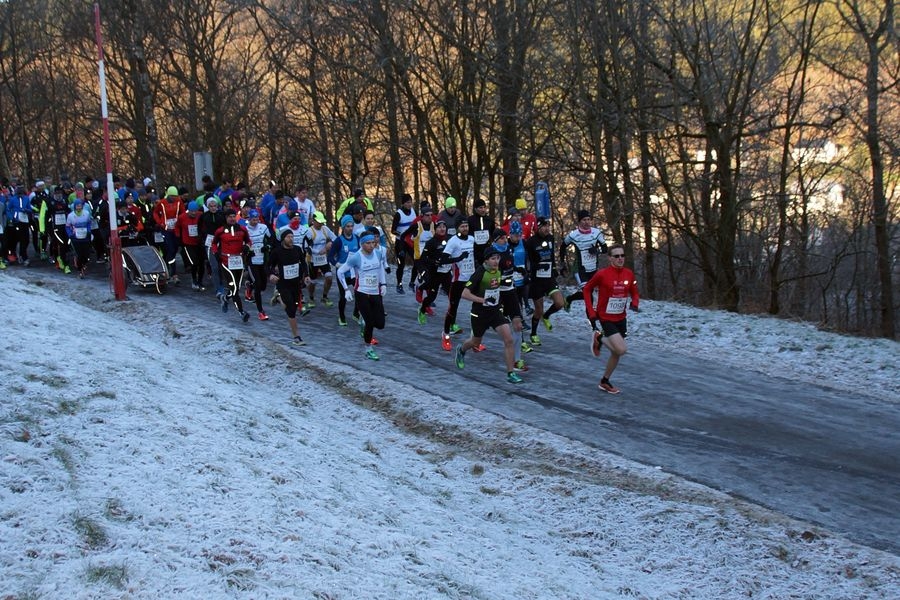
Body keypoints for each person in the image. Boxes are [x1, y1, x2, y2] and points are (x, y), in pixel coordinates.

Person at [453, 247, 523, 384]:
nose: (496, 261)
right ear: (486, 260)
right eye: (493, 259)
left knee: (508, 340)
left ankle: (511, 373)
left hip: (495, 312)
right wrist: (483, 300)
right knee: (475, 342)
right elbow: (464, 294)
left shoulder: (499, 270)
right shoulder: (479, 273)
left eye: (497, 258)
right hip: (479, 313)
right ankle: (461, 350)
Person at [582, 243, 640, 394]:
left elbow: (634, 292)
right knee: (621, 349)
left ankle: (604, 381)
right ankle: (599, 338)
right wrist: (591, 311)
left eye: (622, 255)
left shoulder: (629, 274)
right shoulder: (602, 274)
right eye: (616, 256)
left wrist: (635, 303)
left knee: (616, 352)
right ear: (610, 258)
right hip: (605, 317)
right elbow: (587, 289)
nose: (620, 258)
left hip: (621, 317)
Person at [337, 230, 388, 360]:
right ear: (362, 244)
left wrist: (383, 284)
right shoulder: (356, 257)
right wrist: (346, 290)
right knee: (370, 323)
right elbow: (340, 272)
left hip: (375, 292)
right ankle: (368, 349)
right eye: (368, 243)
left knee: (380, 324)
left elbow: (380, 269)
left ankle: (364, 321)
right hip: (362, 293)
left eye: (373, 242)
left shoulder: (378, 254)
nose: (371, 245)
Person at [524, 217, 566, 346]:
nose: (547, 228)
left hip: (549, 278)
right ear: (538, 227)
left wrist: (555, 269)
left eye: (548, 226)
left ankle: (546, 316)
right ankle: (533, 334)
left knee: (560, 303)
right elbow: (528, 261)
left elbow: (551, 256)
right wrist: (535, 268)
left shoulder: (550, 238)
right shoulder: (530, 242)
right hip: (536, 280)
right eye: (544, 226)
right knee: (538, 310)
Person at [268, 229, 311, 345]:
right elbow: (268, 265)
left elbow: (303, 263)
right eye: (288, 237)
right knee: (291, 310)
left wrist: (306, 275)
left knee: (293, 306)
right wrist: (271, 274)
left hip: (295, 284)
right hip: (283, 284)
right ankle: (296, 337)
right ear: (283, 239)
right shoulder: (277, 252)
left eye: (292, 237)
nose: (291, 239)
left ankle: (278, 297)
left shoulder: (297, 249)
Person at [211, 208, 253, 322]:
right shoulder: (220, 231)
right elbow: (214, 243)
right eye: (230, 217)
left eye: (234, 216)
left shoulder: (242, 229)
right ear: (226, 218)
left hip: (239, 261)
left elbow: (249, 241)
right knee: (234, 288)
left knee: (236, 288)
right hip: (226, 262)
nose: (232, 218)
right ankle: (241, 312)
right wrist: (216, 253)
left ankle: (225, 298)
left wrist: (247, 247)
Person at [560, 209, 607, 310]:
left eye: (589, 219)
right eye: (584, 220)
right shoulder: (573, 235)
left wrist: (597, 251)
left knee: (589, 293)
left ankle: (569, 298)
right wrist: (562, 264)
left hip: (593, 268)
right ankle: (592, 320)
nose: (587, 222)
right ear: (579, 221)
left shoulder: (596, 233)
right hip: (580, 269)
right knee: (588, 295)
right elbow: (562, 247)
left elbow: (605, 249)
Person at [439, 219, 476, 350]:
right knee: (452, 309)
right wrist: (459, 258)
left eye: (466, 226)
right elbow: (443, 260)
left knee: (477, 310)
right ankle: (446, 335)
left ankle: (475, 340)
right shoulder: (453, 241)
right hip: (458, 280)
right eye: (462, 227)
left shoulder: (472, 239)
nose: (465, 228)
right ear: (457, 228)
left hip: (472, 279)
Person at [327, 215, 361, 326]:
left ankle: (356, 313)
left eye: (352, 226)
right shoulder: (338, 241)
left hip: (354, 273)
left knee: (360, 294)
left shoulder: (357, 239)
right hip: (342, 273)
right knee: (343, 297)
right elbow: (330, 257)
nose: (350, 228)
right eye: (348, 226)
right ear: (343, 227)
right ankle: (341, 317)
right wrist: (338, 265)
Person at [416, 220, 451, 324]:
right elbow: (423, 258)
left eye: (444, 227)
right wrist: (434, 262)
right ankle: (422, 310)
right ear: (435, 230)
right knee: (432, 297)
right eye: (439, 227)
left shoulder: (450, 239)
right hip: (435, 273)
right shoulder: (431, 242)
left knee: (452, 296)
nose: (442, 229)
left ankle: (451, 321)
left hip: (447, 272)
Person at [243, 209, 274, 320]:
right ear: (249, 219)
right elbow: (242, 244)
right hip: (251, 261)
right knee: (258, 284)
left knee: (263, 286)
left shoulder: (263, 227)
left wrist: (267, 247)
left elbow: (271, 239)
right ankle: (261, 312)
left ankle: (249, 287)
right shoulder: (245, 229)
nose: (255, 222)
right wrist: (247, 251)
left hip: (262, 259)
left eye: (257, 219)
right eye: (253, 220)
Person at [304, 210, 336, 309]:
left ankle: (324, 297)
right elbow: (306, 247)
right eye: (319, 222)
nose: (320, 224)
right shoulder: (309, 231)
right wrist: (318, 252)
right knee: (312, 282)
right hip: (312, 260)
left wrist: (330, 244)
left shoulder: (325, 229)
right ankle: (311, 298)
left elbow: (335, 239)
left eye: (322, 222)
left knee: (329, 278)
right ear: (313, 221)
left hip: (323, 259)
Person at [153, 186, 184, 282]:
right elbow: (155, 213)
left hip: (176, 229)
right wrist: (160, 223)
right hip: (166, 230)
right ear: (168, 195)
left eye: (176, 196)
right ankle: (173, 273)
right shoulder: (162, 203)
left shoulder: (179, 202)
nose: (174, 198)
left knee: (175, 249)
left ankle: (165, 266)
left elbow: (182, 213)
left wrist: (181, 222)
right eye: (172, 196)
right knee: (170, 249)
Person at [390, 193, 417, 293]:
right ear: (403, 203)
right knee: (401, 264)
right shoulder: (399, 214)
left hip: (411, 241)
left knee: (417, 262)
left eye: (410, 202)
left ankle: (412, 282)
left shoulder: (414, 212)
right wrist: (402, 234)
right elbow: (393, 230)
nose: (409, 204)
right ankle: (399, 284)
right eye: (407, 202)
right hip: (401, 243)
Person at [175, 200, 204, 289]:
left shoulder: (201, 215)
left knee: (201, 263)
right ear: (188, 210)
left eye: (195, 211)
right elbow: (177, 227)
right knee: (193, 263)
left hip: (199, 243)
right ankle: (194, 280)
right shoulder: (182, 217)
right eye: (191, 211)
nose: (194, 213)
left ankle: (200, 281)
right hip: (188, 244)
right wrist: (178, 237)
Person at [65, 197, 95, 277]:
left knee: (86, 254)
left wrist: (89, 231)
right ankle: (80, 269)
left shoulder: (86, 213)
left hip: (85, 237)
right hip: (76, 238)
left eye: (80, 205)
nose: (79, 207)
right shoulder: (71, 216)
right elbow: (67, 227)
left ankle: (84, 264)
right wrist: (70, 234)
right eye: (77, 206)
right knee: (79, 254)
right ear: (74, 207)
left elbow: (89, 223)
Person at [467, 198, 495, 264]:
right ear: (475, 209)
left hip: (487, 250)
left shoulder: (489, 220)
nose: (483, 210)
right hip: (475, 251)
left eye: (484, 207)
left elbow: (493, 233)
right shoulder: (470, 220)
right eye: (480, 208)